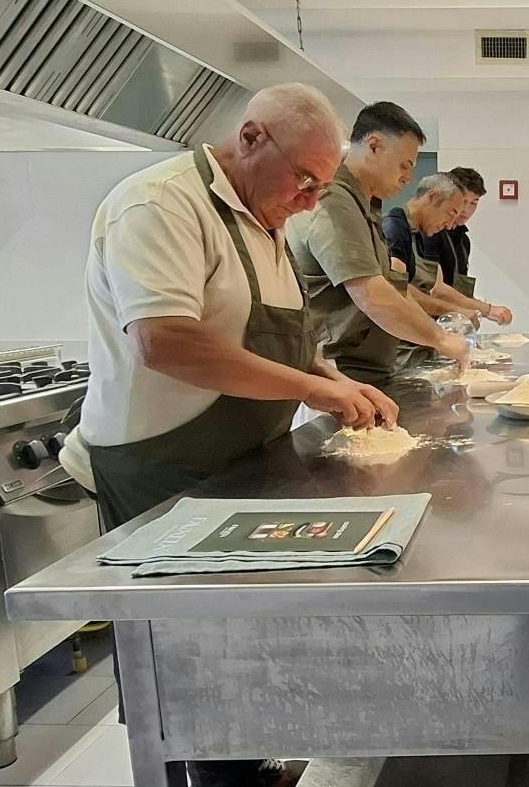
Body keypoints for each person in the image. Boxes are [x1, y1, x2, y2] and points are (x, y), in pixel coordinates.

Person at [76, 84, 398, 787]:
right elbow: (165, 342)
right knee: (188, 665)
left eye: (322, 184)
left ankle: (251, 766)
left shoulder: (265, 220)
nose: (311, 200)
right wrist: (315, 389)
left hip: (235, 467)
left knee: (239, 647)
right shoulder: (161, 204)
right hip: (162, 468)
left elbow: (276, 344)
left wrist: (331, 376)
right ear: (251, 138)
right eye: (305, 180)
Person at [288, 101, 472, 386]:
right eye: (404, 165)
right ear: (373, 146)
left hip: (365, 370)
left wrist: (442, 337)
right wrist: (440, 338)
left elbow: (392, 288)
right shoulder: (334, 202)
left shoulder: (365, 206)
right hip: (337, 373)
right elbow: (370, 294)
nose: (409, 177)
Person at [383, 172, 512, 325]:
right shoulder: (395, 228)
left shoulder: (424, 231)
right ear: (431, 197)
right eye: (450, 213)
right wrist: (456, 315)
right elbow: (398, 290)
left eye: (474, 203)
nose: (450, 224)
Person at [430, 166, 489, 298]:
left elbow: (459, 288)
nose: (466, 210)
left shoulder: (463, 241)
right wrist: (487, 309)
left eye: (473, 203)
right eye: (463, 201)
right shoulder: (431, 232)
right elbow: (434, 287)